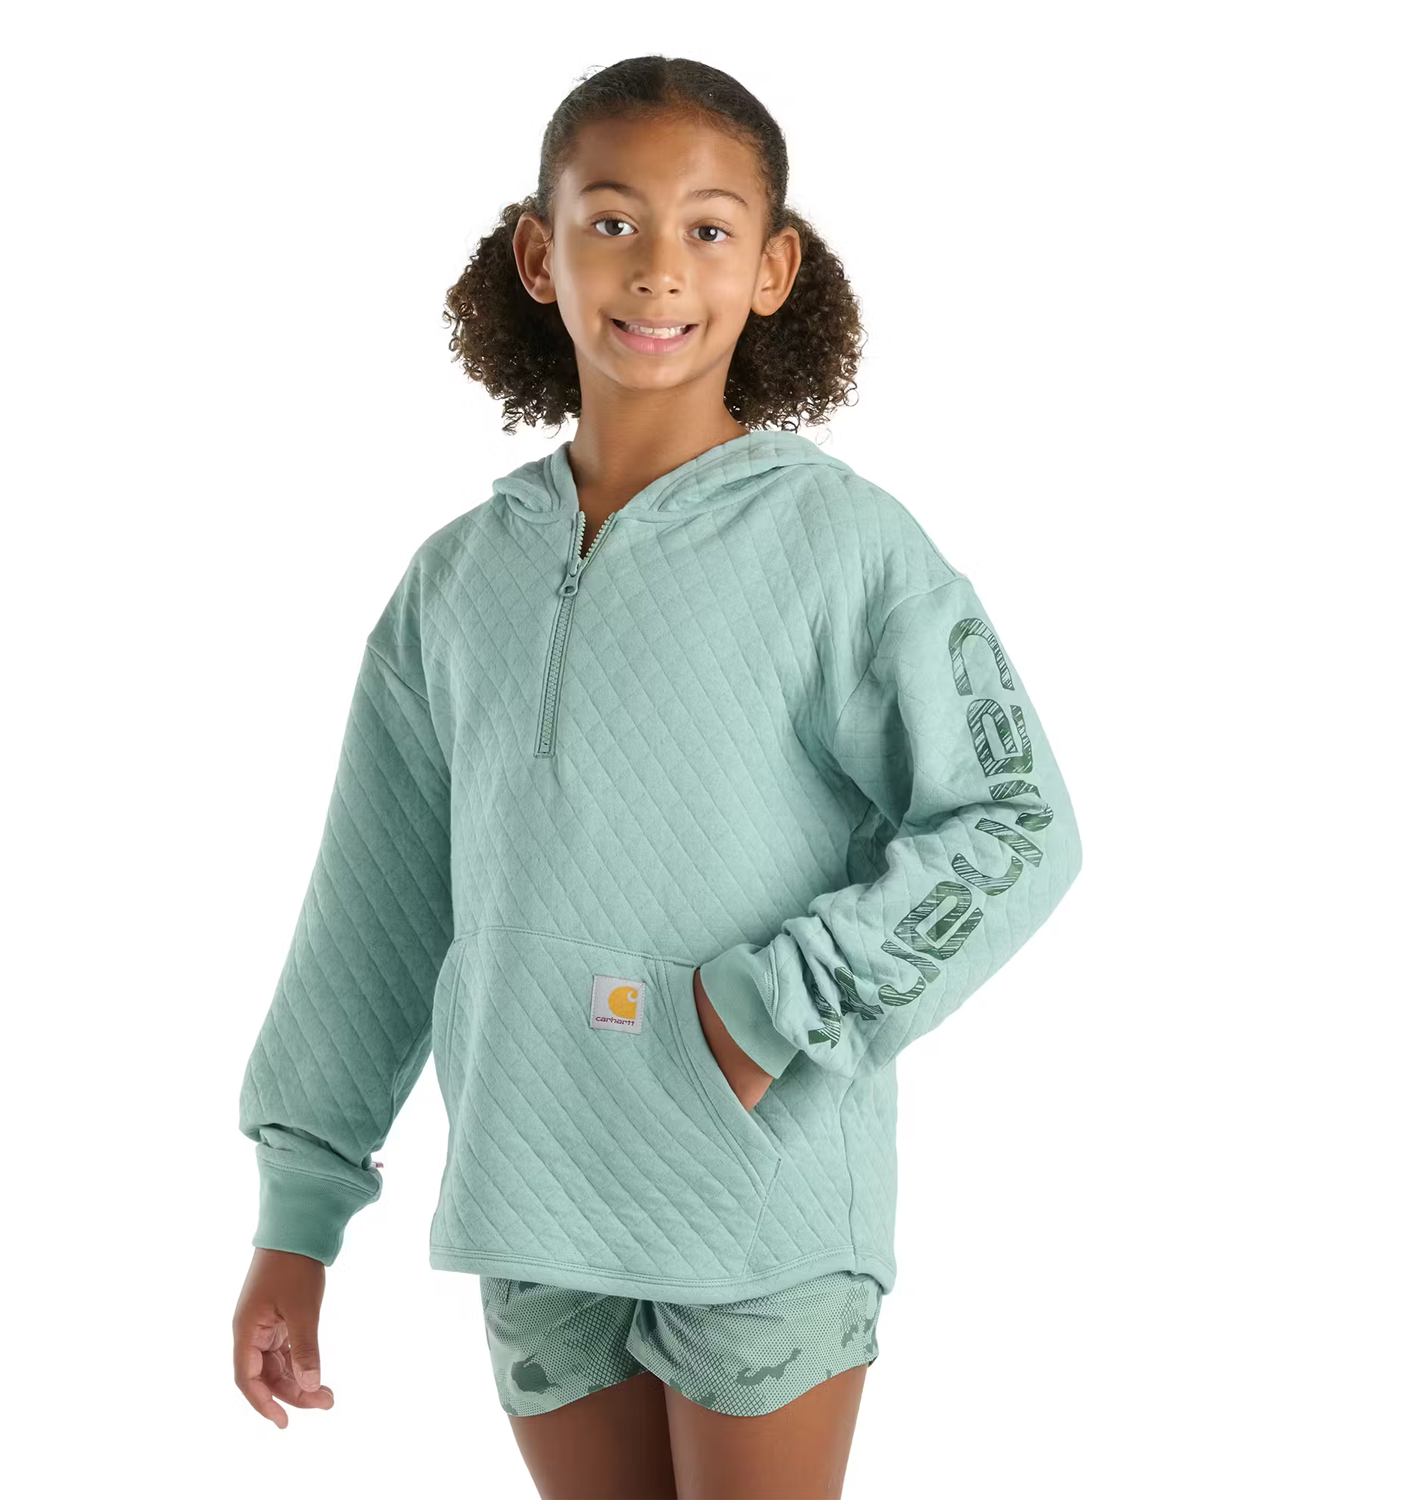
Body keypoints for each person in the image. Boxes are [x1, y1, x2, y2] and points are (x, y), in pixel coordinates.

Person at [231, 53, 1082, 1500]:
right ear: (539, 254)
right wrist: (297, 1219)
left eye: (708, 228)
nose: (658, 268)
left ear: (773, 269)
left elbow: (1016, 822)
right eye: (613, 220)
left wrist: (768, 1011)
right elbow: (375, 912)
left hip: (758, 1201)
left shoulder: (846, 548)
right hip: (534, 1198)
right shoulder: (456, 580)